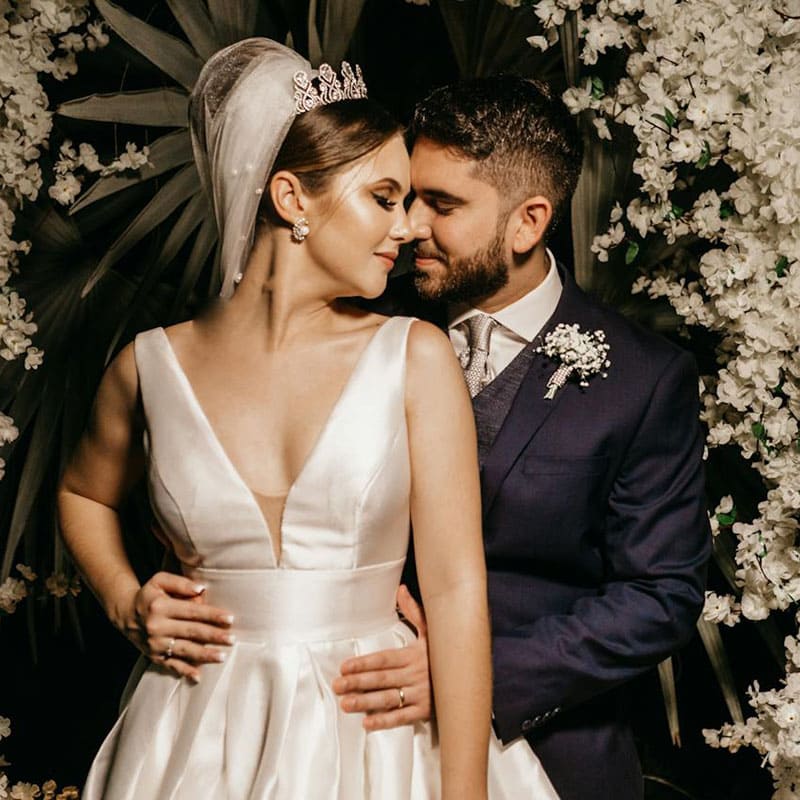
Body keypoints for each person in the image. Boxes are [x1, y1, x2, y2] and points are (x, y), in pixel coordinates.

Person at [57, 40, 559, 799]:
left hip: (376, 741)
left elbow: (456, 592)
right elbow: (82, 494)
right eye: (384, 198)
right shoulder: (147, 367)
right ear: (293, 200)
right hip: (193, 736)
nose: (407, 229)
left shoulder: (414, 358)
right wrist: (125, 598)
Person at [333, 75, 711, 800]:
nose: (409, 225)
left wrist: (469, 670)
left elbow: (659, 594)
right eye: (408, 196)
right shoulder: (359, 327)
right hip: (347, 730)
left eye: (441, 204)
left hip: (549, 754)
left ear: (527, 222)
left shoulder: (644, 379)